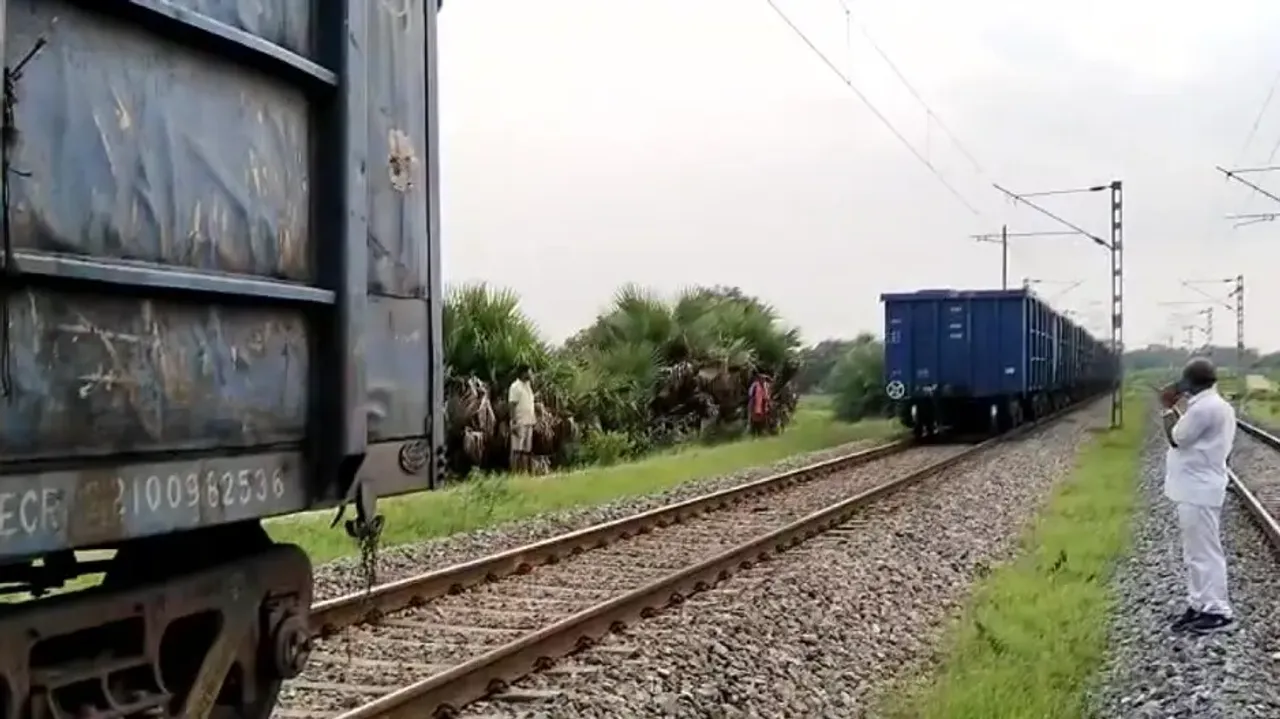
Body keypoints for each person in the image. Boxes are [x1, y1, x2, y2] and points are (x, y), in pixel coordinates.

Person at [1160, 356, 1236, 634]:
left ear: (1190, 382)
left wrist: (1168, 408)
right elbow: (1187, 435)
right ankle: (1200, 603)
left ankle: (1217, 610)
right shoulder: (1212, 406)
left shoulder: (1204, 408)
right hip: (1198, 488)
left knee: (1204, 553)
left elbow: (1177, 437)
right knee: (1196, 553)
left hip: (1199, 489)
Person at [507, 365, 536, 473]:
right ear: (523, 373)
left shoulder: (528, 386)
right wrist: (513, 422)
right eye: (530, 372)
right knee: (517, 450)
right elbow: (512, 405)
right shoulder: (515, 387)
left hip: (529, 421)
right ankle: (515, 472)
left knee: (526, 450)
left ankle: (524, 473)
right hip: (519, 422)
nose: (531, 374)